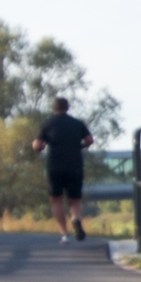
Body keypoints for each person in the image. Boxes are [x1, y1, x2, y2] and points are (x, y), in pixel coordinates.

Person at [32, 97, 93, 242]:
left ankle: (65, 234)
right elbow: (90, 140)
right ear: (67, 108)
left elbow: (37, 146)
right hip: (75, 165)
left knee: (56, 201)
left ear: (53, 108)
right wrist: (80, 146)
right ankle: (76, 218)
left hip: (55, 166)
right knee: (75, 200)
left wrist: (43, 146)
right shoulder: (77, 123)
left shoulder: (47, 124)